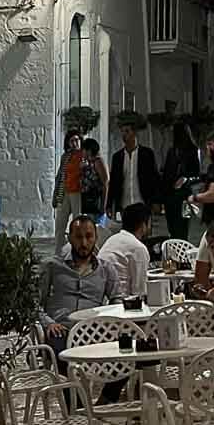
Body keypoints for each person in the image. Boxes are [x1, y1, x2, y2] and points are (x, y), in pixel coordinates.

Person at [38, 214, 113, 357]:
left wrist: (109, 322)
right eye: (78, 237)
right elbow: (34, 304)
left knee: (119, 357)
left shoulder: (106, 269)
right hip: (61, 329)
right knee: (62, 355)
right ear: (69, 238)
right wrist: (49, 323)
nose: (84, 243)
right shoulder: (52, 266)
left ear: (96, 238)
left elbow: (117, 300)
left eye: (89, 236)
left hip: (95, 330)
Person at [98, 202, 152, 298]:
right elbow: (140, 291)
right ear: (143, 225)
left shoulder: (112, 239)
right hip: (122, 303)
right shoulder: (138, 248)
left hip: (102, 299)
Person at [108, 123, 161, 219]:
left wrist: (157, 201)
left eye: (127, 131)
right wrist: (109, 204)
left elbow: (154, 178)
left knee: (143, 232)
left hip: (143, 202)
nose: (124, 134)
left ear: (134, 133)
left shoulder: (147, 154)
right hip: (124, 204)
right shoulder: (117, 157)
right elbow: (113, 182)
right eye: (122, 132)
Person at [161, 120, 201, 240]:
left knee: (183, 226)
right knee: (173, 227)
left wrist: (185, 179)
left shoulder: (192, 151)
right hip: (171, 195)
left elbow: (196, 173)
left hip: (183, 195)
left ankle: (181, 247)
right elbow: (167, 175)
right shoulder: (172, 151)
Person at [52, 129, 84, 251]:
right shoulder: (66, 156)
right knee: (60, 222)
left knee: (78, 222)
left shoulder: (84, 155)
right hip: (64, 191)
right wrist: (55, 194)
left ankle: (78, 250)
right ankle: (59, 251)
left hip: (78, 192)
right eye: (72, 141)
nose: (75, 143)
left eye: (77, 140)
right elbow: (60, 175)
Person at [78, 137, 109, 221]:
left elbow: (105, 183)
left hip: (95, 200)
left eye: (83, 149)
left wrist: (103, 206)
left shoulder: (98, 161)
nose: (82, 152)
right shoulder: (88, 162)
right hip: (87, 201)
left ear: (89, 150)